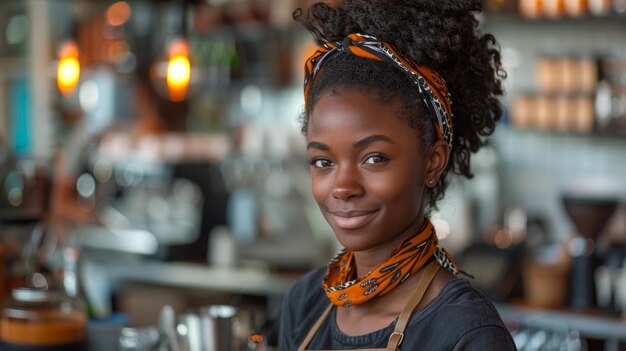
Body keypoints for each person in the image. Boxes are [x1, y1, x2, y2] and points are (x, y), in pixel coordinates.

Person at [279, 0, 516, 349]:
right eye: (323, 162)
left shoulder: (466, 332)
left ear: (433, 162)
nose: (343, 188)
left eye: (374, 158)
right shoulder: (304, 304)